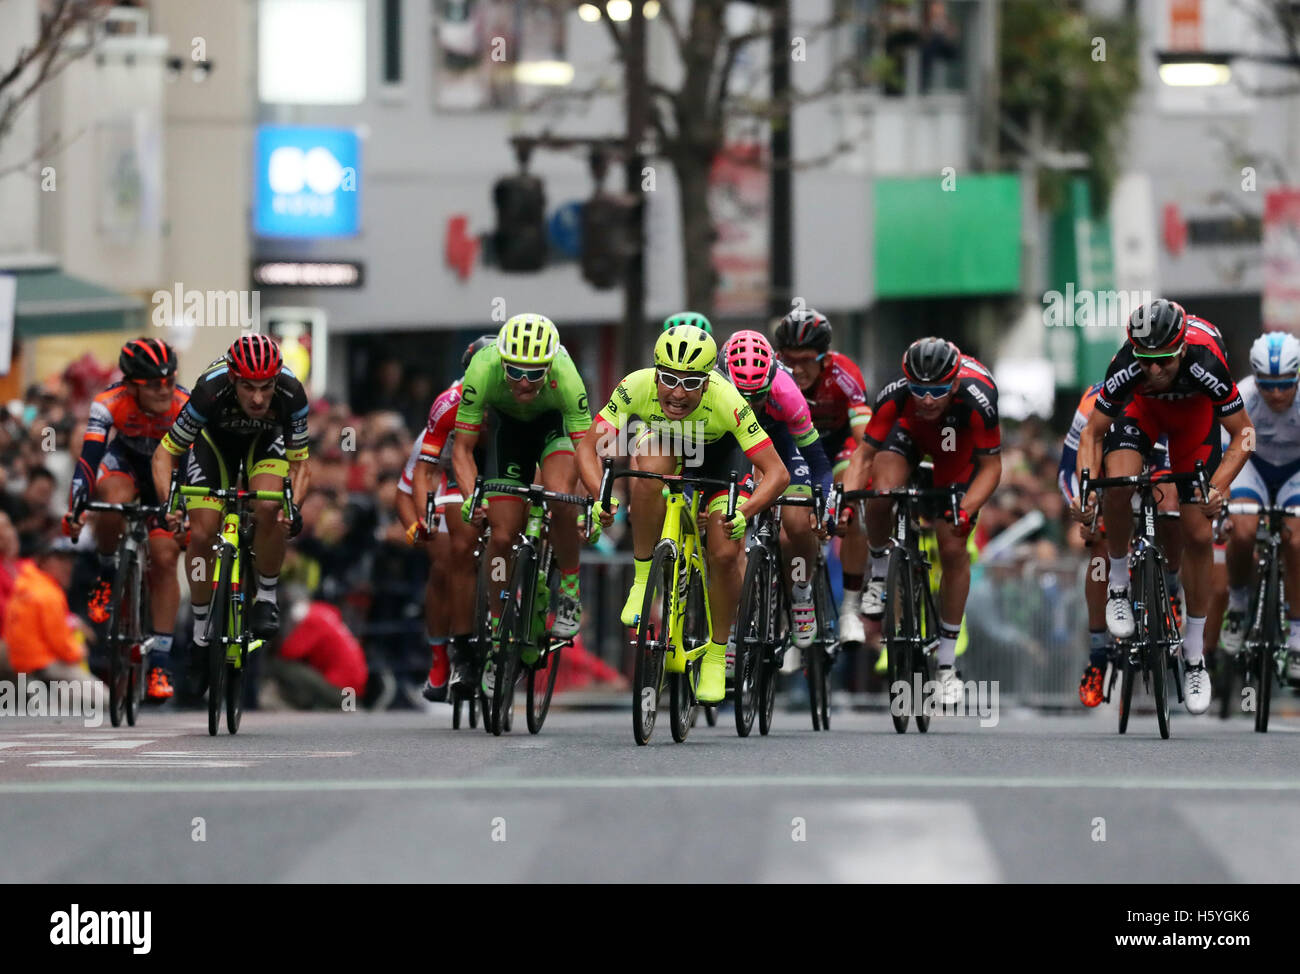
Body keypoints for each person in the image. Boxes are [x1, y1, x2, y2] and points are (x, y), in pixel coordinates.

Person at [575, 324, 791, 703]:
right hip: (667, 446)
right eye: (669, 379)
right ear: (656, 374)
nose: (677, 393)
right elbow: (589, 447)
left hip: (718, 459)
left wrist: (746, 509)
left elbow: (777, 474)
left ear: (708, 383)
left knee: (724, 552)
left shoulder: (728, 401)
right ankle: (643, 580)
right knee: (647, 473)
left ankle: (716, 651)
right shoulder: (635, 386)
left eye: (691, 382)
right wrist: (602, 496)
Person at [1072, 300, 1254, 715]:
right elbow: (1092, 434)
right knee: (1117, 484)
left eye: (1163, 361)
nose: (1153, 370)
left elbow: (1245, 434)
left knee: (1195, 530)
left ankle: (1194, 657)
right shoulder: (1126, 363)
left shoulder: (1207, 358)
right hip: (1142, 414)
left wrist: (1219, 486)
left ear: (1182, 347)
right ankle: (1119, 583)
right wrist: (1087, 493)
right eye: (1145, 360)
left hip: (1193, 421)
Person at [844, 337, 1003, 705]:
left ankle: (946, 666)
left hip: (958, 451)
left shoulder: (980, 396)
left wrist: (964, 511)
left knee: (951, 545)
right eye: (919, 390)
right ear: (906, 382)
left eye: (938, 390)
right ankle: (880, 574)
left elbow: (992, 468)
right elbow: (864, 456)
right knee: (881, 495)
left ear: (956, 382)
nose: (927, 399)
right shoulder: (895, 395)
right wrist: (847, 503)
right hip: (909, 437)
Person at [152, 334, 311, 697]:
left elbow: (301, 464)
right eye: (248, 387)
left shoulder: (291, 392)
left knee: (270, 505)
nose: (257, 398)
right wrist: (169, 503)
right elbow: (165, 453)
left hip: (265, 443)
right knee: (204, 532)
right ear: (232, 379)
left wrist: (294, 507)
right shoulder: (209, 390)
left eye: (265, 387)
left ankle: (266, 598)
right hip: (214, 445)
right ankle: (199, 635)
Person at [453, 315, 591, 697]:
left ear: (550, 365)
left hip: (554, 430)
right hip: (509, 434)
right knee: (500, 536)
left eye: (534, 373)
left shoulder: (567, 374)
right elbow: (462, 450)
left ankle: (569, 589)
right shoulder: (482, 370)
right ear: (501, 361)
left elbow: (585, 448)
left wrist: (597, 498)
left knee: (562, 500)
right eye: (514, 371)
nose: (525, 382)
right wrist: (470, 497)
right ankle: (498, 634)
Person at [63, 337, 188, 699]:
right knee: (112, 500)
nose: (164, 390)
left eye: (170, 380)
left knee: (165, 559)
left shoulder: (186, 406)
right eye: (153, 384)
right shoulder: (108, 402)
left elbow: (198, 469)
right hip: (126, 466)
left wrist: (187, 514)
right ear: (132, 384)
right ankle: (106, 572)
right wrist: (75, 506)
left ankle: (161, 662)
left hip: (168, 478)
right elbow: (88, 459)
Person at [1058, 383, 1180, 707]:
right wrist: (1082, 505)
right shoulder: (1091, 403)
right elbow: (1068, 469)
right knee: (1099, 549)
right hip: (1110, 471)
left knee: (1171, 509)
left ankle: (1170, 591)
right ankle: (1098, 652)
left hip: (1157, 463)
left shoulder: (1171, 396)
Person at [721, 329, 832, 649]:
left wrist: (824, 506)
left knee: (796, 523)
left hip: (781, 441)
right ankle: (728, 628)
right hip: (735, 442)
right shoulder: (712, 388)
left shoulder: (787, 391)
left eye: (759, 395)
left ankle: (800, 592)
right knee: (722, 523)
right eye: (743, 396)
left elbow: (818, 462)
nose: (751, 403)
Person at [773, 307, 872, 647]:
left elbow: (865, 443)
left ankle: (849, 609)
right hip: (799, 450)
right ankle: (792, 605)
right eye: (789, 359)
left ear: (825, 358)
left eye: (805, 360)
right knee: (792, 531)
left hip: (838, 449)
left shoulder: (845, 374)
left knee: (853, 511)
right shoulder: (775, 375)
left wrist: (846, 495)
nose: (796, 369)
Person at [404, 333, 494, 701]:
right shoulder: (448, 406)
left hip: (503, 464)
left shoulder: (518, 399)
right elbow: (408, 483)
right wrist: (418, 521)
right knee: (450, 557)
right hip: (453, 476)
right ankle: (450, 654)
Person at [1221, 332, 1300, 683]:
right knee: (1242, 531)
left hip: (1294, 473)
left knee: (1296, 542)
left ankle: (1296, 638)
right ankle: (1237, 605)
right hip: (1251, 467)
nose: (1277, 393)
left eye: (1286, 384)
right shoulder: (1243, 397)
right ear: (1256, 378)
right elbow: (1225, 455)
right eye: (1268, 385)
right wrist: (1222, 502)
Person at [3, 537, 97, 685]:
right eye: (60, 560)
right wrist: (80, 651)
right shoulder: (47, 593)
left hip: (26, 664)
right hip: (41, 666)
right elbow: (62, 646)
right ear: (43, 561)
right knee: (105, 702)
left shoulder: (29, 580)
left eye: (70, 561)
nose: (68, 566)